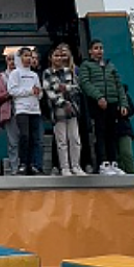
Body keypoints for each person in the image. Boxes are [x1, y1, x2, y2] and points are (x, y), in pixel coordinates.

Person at [78, 38, 128, 173]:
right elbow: (85, 83)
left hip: (112, 103)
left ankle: (113, 163)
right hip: (97, 104)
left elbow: (119, 85)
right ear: (90, 51)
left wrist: (123, 103)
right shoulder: (86, 66)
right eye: (96, 48)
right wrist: (98, 97)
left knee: (111, 133)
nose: (99, 51)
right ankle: (103, 163)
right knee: (99, 133)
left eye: (101, 48)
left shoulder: (110, 66)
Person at [43, 44, 84, 177]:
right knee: (62, 141)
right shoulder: (47, 73)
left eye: (61, 55)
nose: (59, 58)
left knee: (75, 138)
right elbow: (50, 92)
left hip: (72, 109)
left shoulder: (69, 71)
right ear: (51, 58)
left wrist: (66, 88)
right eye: (56, 55)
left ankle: (76, 166)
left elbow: (77, 88)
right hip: (58, 110)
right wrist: (63, 103)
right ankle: (65, 167)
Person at [8, 47, 43, 175]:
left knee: (35, 138)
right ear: (20, 57)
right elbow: (12, 91)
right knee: (25, 136)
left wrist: (38, 93)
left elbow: (39, 94)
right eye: (26, 56)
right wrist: (29, 91)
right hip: (22, 109)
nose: (28, 59)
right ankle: (23, 163)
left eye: (30, 56)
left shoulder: (34, 75)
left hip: (35, 109)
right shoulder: (15, 73)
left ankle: (34, 164)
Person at [0, 52, 19, 175]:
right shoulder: (3, 77)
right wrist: (8, 94)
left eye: (14, 59)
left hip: (25, 110)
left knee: (25, 139)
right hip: (10, 112)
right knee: (13, 141)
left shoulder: (24, 74)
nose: (12, 62)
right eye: (9, 59)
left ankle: (26, 165)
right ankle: (15, 168)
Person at [116, 83, 134, 174]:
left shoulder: (123, 94)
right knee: (116, 158)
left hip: (123, 128)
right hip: (109, 130)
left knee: (126, 153)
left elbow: (132, 109)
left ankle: (132, 176)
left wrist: (124, 110)